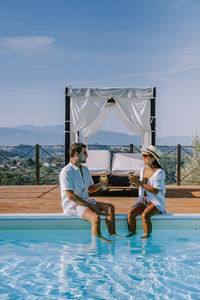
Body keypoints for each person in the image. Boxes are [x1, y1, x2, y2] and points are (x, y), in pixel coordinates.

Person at [59, 143, 117, 242]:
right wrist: (90, 205)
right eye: (85, 153)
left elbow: (90, 189)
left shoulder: (85, 169)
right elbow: (70, 196)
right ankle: (96, 243)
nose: (87, 155)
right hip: (73, 205)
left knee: (110, 207)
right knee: (95, 218)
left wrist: (100, 184)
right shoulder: (66, 172)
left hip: (85, 201)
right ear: (76, 154)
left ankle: (112, 235)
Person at [127, 145, 166, 239]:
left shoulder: (159, 172)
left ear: (153, 158)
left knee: (145, 215)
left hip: (155, 202)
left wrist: (139, 182)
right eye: (143, 155)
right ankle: (132, 236)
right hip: (143, 200)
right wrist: (135, 183)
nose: (143, 157)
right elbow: (141, 186)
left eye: (145, 155)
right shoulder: (143, 169)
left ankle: (147, 238)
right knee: (131, 212)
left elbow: (155, 191)